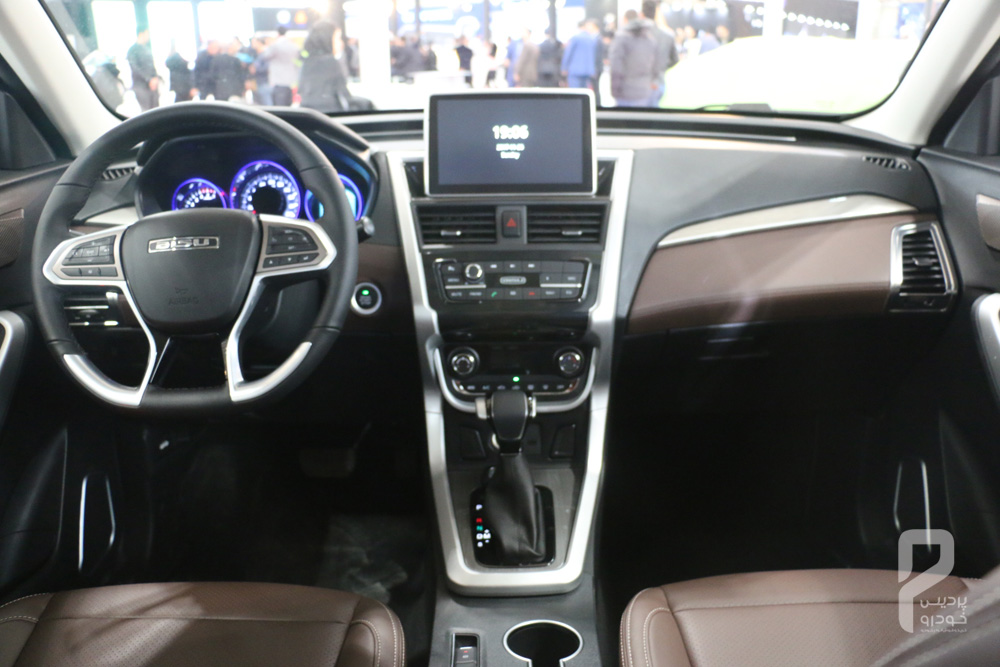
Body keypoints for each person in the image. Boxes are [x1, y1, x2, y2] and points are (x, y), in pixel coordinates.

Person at [299, 21, 351, 113]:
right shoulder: (330, 62)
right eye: (338, 38)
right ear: (327, 39)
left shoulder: (308, 62)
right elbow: (345, 96)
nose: (341, 43)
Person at [609, 9, 658, 107]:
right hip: (644, 91)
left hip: (625, 92)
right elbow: (656, 66)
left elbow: (616, 68)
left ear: (625, 20)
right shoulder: (650, 39)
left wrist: (614, 90)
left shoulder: (621, 38)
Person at [642, 0, 678, 107]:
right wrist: (662, 68)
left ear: (642, 14)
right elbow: (675, 60)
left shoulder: (635, 35)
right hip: (659, 82)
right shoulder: (668, 35)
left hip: (641, 84)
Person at [261, 26, 299, 106]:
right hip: (290, 82)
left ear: (277, 33)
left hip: (278, 82)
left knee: (279, 107)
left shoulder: (275, 46)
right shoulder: (293, 46)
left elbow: (265, 56)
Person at [561, 19, 600, 90]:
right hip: (588, 71)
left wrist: (564, 68)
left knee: (575, 92)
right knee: (584, 92)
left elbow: (568, 54)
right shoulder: (592, 39)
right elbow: (595, 56)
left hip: (575, 70)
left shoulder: (575, 38)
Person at [126, 28, 159, 111]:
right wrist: (149, 79)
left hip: (152, 87)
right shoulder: (132, 50)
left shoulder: (146, 49)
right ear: (141, 33)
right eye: (147, 34)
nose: (148, 37)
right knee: (147, 112)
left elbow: (151, 66)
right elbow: (135, 69)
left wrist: (155, 78)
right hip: (141, 87)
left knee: (157, 111)